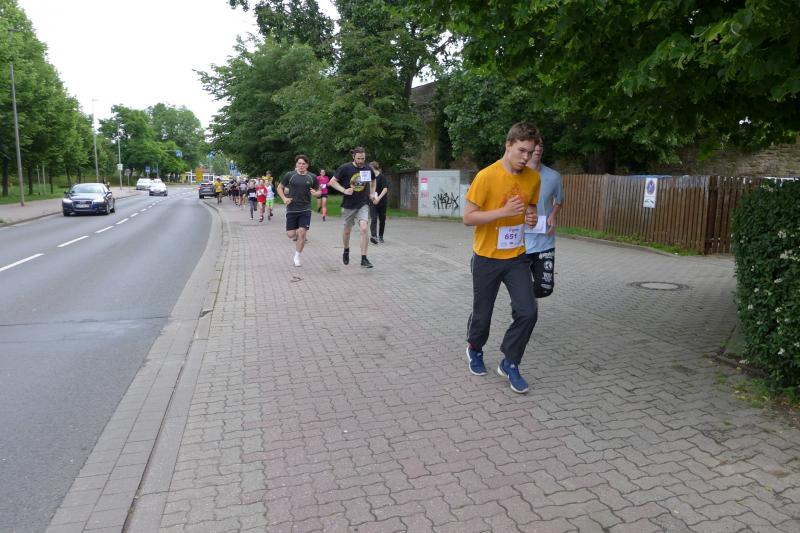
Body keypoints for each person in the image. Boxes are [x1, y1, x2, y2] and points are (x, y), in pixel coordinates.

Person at [463, 121, 541, 394]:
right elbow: (468, 218)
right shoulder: (486, 176)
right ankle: (475, 348)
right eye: (521, 150)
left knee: (528, 311)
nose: (525, 157)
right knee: (482, 315)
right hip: (486, 257)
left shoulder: (533, 178)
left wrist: (531, 217)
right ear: (508, 145)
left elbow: (530, 208)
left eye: (530, 152)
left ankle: (510, 361)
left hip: (516, 257)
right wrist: (503, 212)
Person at [525, 137, 563, 298]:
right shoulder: (516, 174)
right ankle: (524, 305)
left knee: (545, 288)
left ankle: (524, 301)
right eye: (535, 145)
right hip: (520, 242)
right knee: (522, 285)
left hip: (544, 240)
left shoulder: (554, 176)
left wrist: (553, 215)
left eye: (541, 145)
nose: (538, 148)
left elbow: (559, 201)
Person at [329, 147, 377, 268]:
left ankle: (364, 258)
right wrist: (344, 190)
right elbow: (332, 182)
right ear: (353, 157)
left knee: (364, 228)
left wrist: (372, 193)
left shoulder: (367, 169)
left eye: (363, 158)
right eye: (358, 158)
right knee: (347, 231)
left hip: (363, 203)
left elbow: (373, 181)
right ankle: (346, 250)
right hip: (349, 204)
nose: (361, 161)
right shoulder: (345, 168)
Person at [277, 155, 321, 267]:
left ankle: (297, 256)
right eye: (299, 163)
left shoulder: (312, 177)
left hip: (305, 208)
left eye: (303, 164)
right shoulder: (290, 175)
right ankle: (297, 232)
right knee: (291, 234)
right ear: (296, 164)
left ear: (307, 165)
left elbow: (319, 191)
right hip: (292, 208)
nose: (301, 165)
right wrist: (284, 199)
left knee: (302, 232)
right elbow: (279, 187)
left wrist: (316, 193)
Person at [369, 161, 389, 244]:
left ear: (373, 168)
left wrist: (379, 198)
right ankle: (374, 236)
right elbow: (368, 189)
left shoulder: (382, 177)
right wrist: (371, 197)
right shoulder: (370, 178)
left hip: (382, 202)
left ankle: (381, 236)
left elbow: (385, 189)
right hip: (372, 201)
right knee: (373, 218)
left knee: (382, 219)